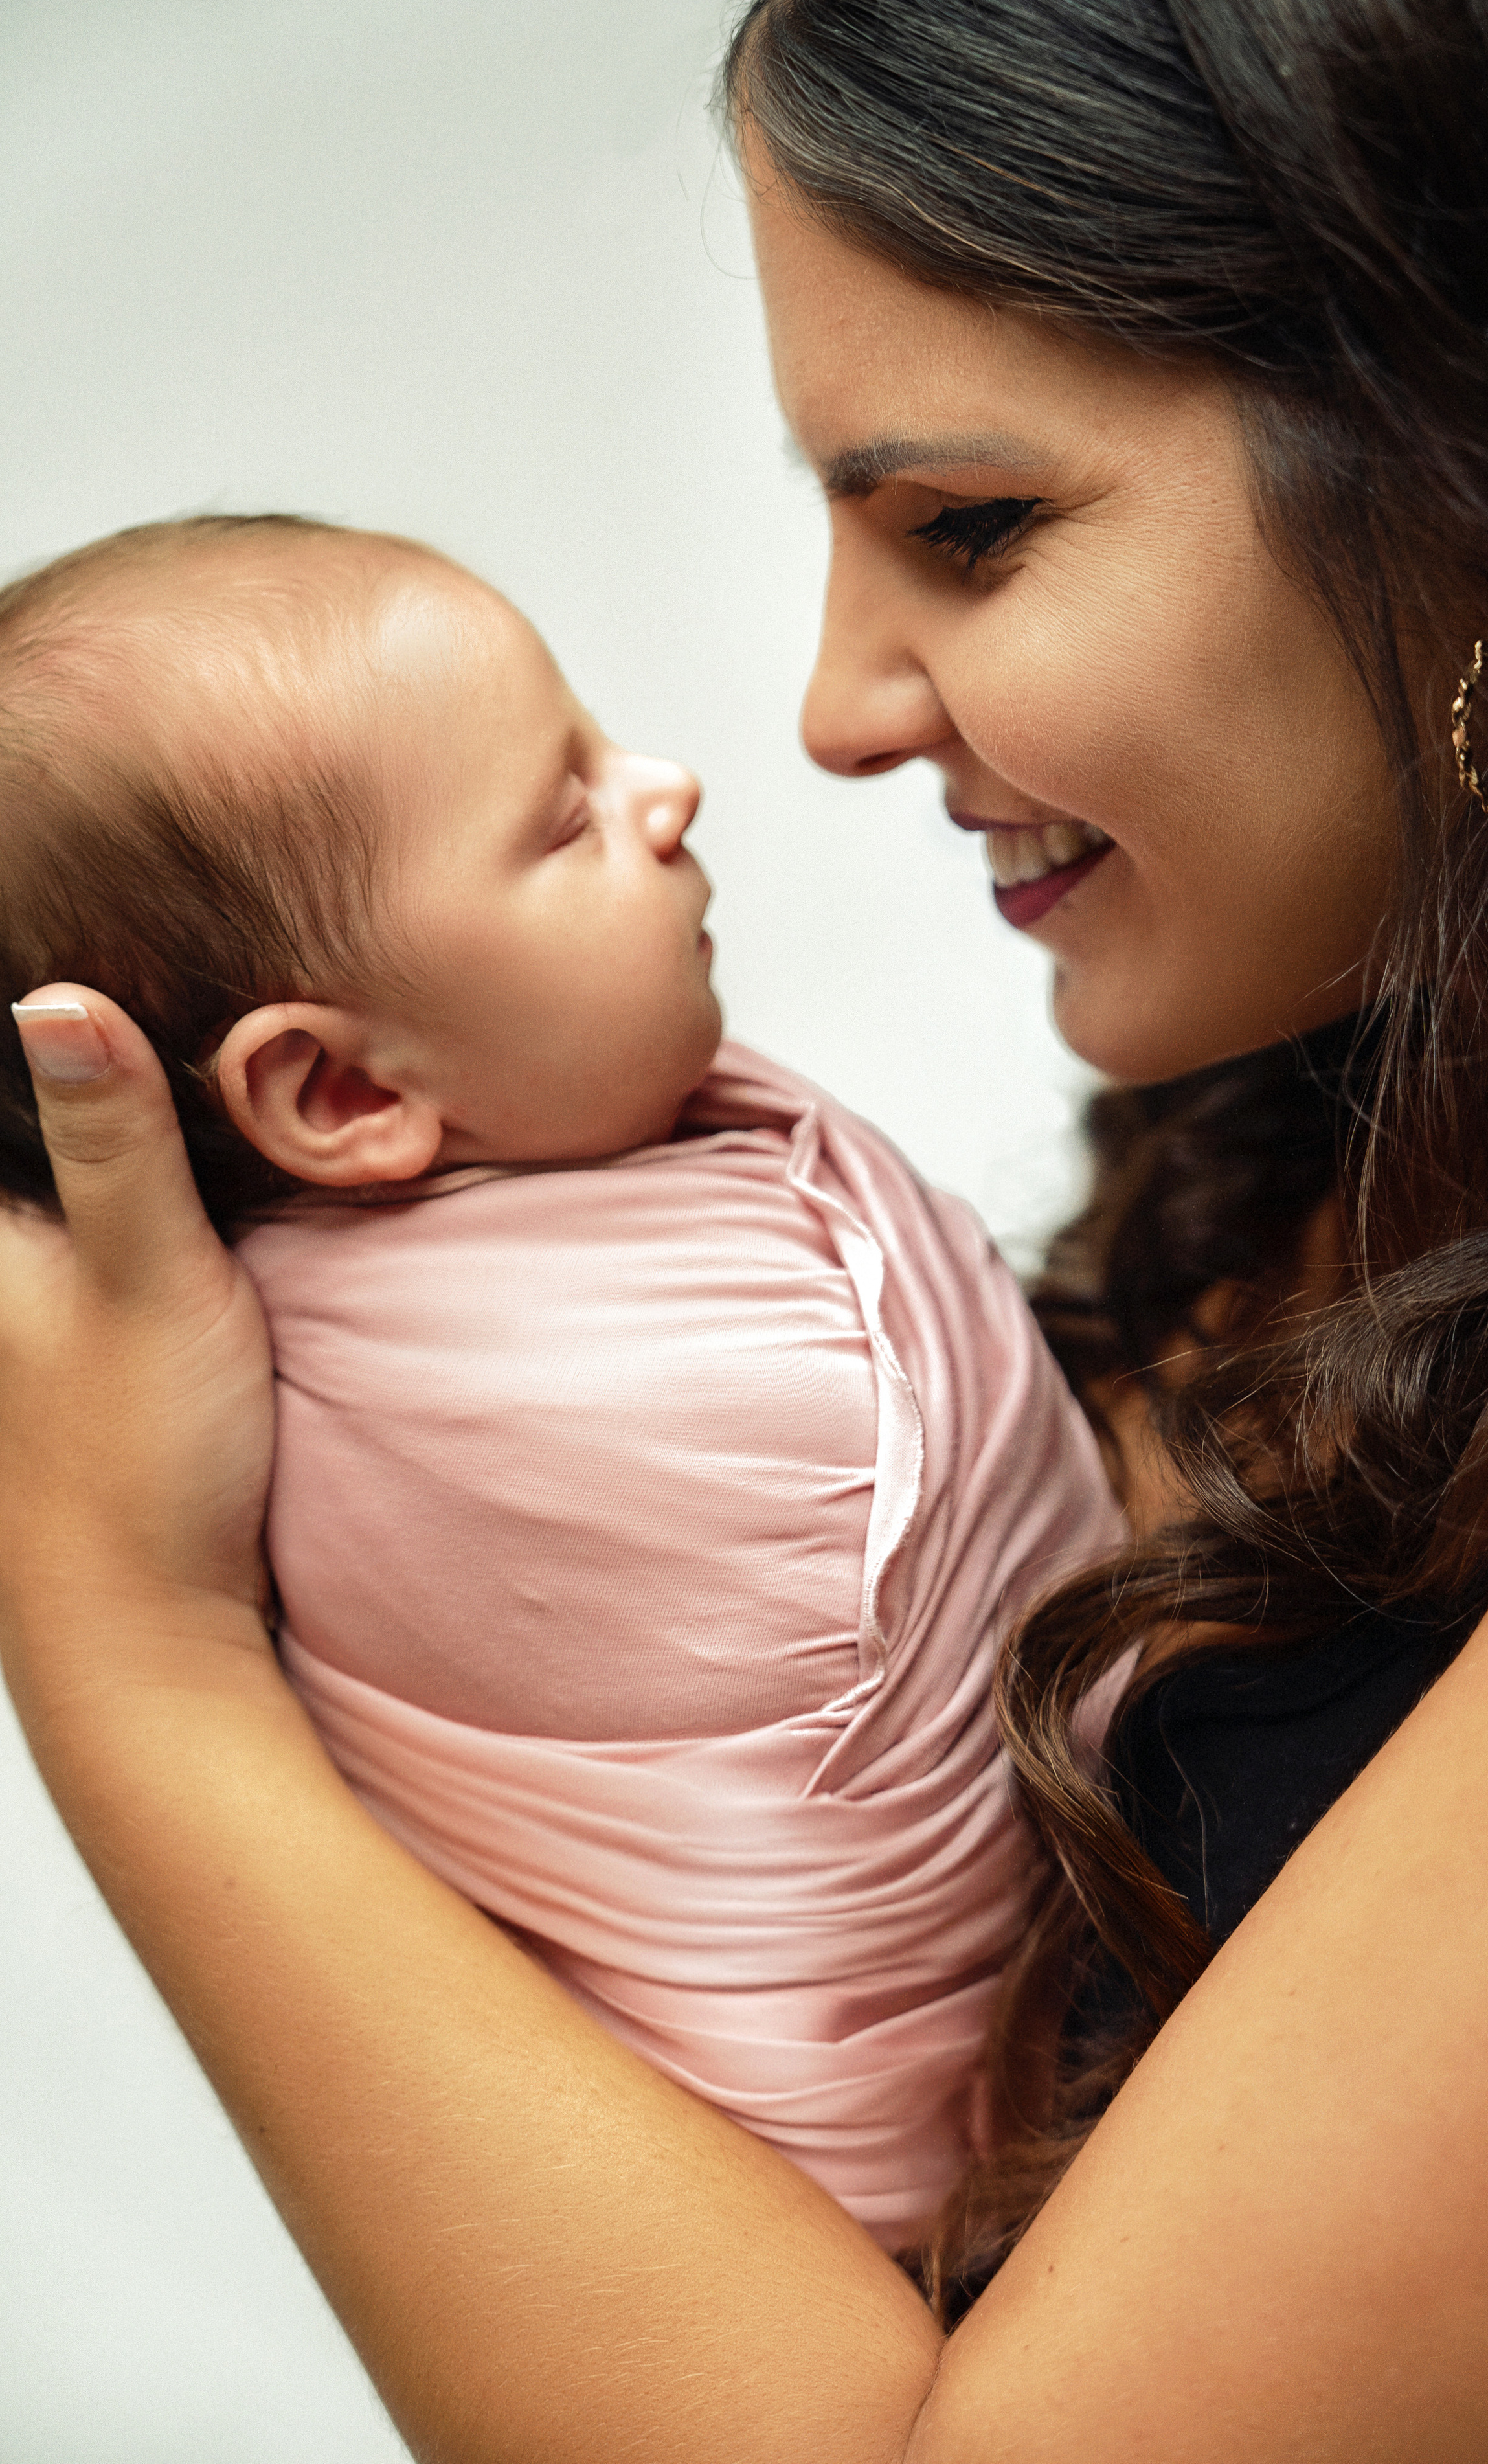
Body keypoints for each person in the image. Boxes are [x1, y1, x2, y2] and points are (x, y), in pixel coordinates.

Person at [3, 0, 1488, 2451]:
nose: (834, 706)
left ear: (1473, 464)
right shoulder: (1307, 1151)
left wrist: (131, 1661)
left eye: (970, 526)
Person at [0, 512, 1119, 2250]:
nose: (666, 789)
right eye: (565, 815)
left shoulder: (583, 1161)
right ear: (346, 1098)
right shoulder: (472, 1414)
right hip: (889, 2195)